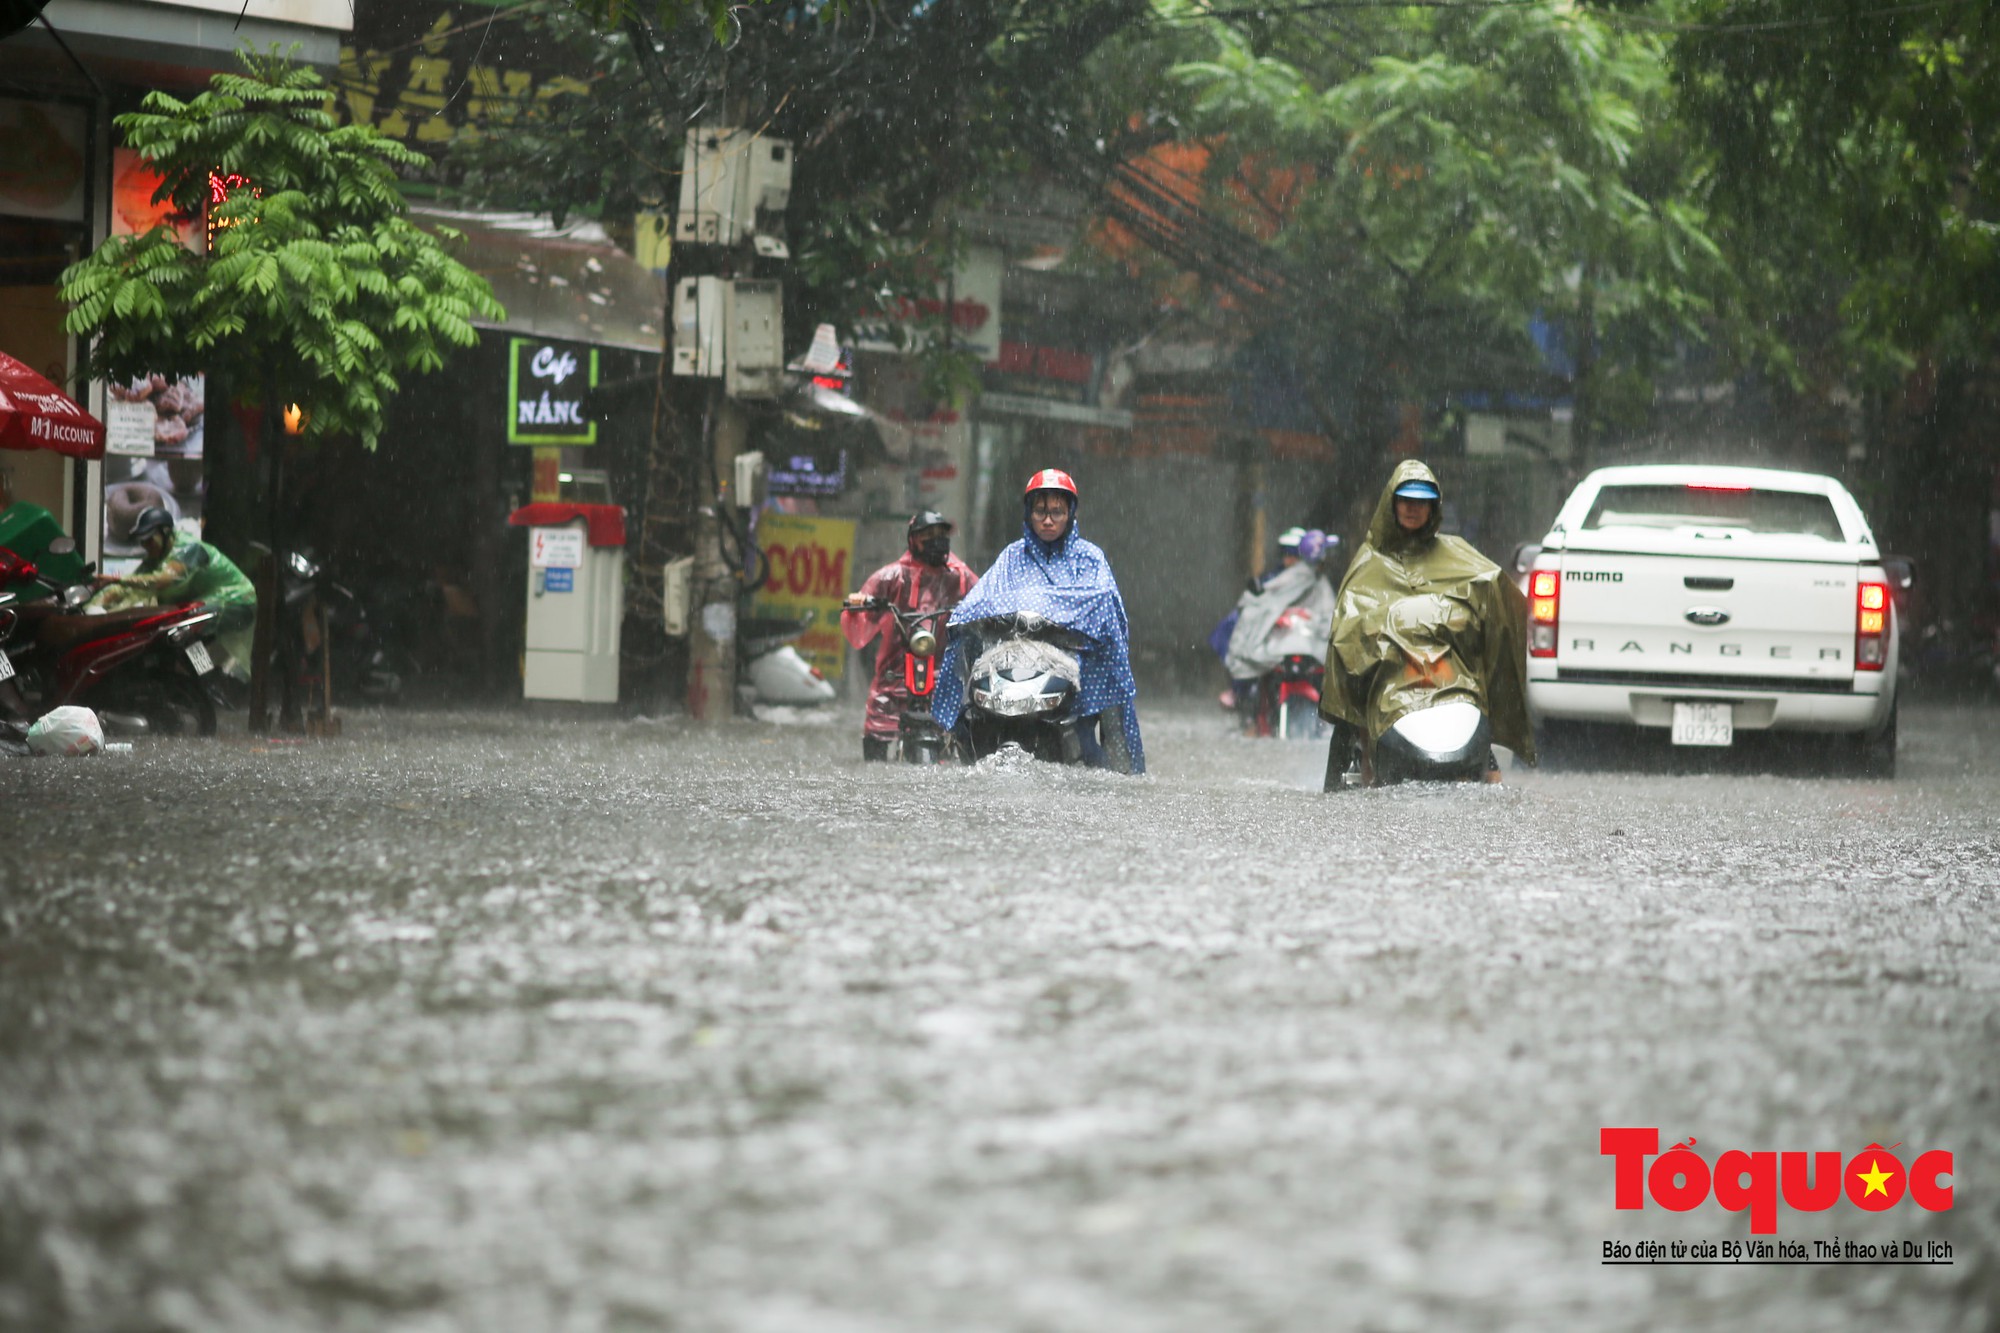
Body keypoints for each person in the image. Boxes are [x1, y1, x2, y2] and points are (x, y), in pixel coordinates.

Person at [1320, 462, 1534, 786]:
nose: (1412, 509)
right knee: (1354, 725)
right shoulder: (1369, 561)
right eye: (1406, 500)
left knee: (1489, 772)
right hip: (1388, 680)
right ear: (1392, 503)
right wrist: (1386, 632)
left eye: (1421, 502)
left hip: (1454, 682)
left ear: (1433, 507)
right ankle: (1354, 781)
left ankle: (1489, 769)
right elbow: (1348, 627)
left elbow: (1496, 598)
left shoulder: (1459, 555)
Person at [931, 469, 1145, 774]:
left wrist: (1049, 613)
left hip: (1078, 658)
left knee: (1110, 717)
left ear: (1070, 514)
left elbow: (1103, 602)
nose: (1047, 520)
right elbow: (982, 600)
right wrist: (968, 618)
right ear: (1029, 513)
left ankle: (1122, 772)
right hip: (1012, 656)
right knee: (971, 712)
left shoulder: (1089, 558)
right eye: (1040, 511)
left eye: (1056, 512)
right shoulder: (1012, 557)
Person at [840, 510, 978, 761]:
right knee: (879, 722)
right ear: (913, 540)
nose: (936, 540)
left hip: (944, 673)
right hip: (896, 674)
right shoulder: (892, 576)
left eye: (941, 534)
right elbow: (859, 616)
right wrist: (861, 603)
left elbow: (984, 599)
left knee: (968, 721)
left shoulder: (959, 576)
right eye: (928, 535)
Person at [89, 506, 256, 680]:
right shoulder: (157, 556)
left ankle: (204, 678)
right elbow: (126, 588)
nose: (146, 546)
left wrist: (117, 579)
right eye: (142, 541)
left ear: (166, 533)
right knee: (174, 627)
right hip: (210, 603)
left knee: (183, 626)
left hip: (238, 601)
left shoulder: (190, 549)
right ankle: (197, 676)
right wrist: (92, 607)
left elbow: (163, 580)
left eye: (149, 540)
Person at [1223, 528, 1338, 731]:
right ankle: (1253, 718)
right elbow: (1267, 602)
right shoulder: (1295, 578)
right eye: (1286, 554)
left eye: (1292, 554)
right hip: (1284, 650)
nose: (1289, 559)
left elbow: (1327, 615)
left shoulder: (1314, 581)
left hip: (1305, 650)